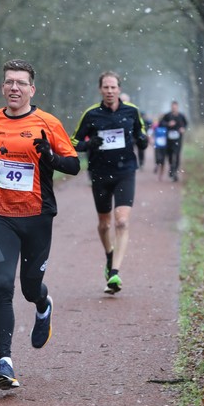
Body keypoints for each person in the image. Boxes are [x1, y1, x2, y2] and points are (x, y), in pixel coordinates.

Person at [0, 59, 80, 390]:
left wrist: (50, 158)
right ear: (3, 87)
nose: (14, 87)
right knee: (3, 286)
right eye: (9, 82)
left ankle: (43, 304)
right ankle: (5, 362)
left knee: (29, 288)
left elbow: (74, 165)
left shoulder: (48, 123)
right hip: (2, 216)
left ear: (32, 89)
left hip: (38, 217)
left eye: (21, 83)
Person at [71, 71, 148, 295]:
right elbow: (72, 142)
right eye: (106, 87)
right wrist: (89, 144)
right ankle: (109, 255)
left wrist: (142, 140)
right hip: (100, 174)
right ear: (100, 89)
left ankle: (114, 272)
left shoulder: (131, 111)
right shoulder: (91, 114)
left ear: (119, 89)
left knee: (122, 221)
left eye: (113, 87)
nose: (110, 91)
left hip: (125, 172)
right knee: (104, 225)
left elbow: (142, 134)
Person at [159, 100, 188, 181]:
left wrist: (183, 129)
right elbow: (161, 123)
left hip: (178, 139)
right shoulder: (167, 115)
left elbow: (186, 124)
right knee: (170, 155)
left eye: (175, 107)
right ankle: (172, 168)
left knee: (177, 154)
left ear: (177, 107)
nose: (174, 108)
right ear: (171, 107)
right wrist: (168, 124)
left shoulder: (181, 116)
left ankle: (175, 171)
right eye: (173, 107)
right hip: (169, 139)